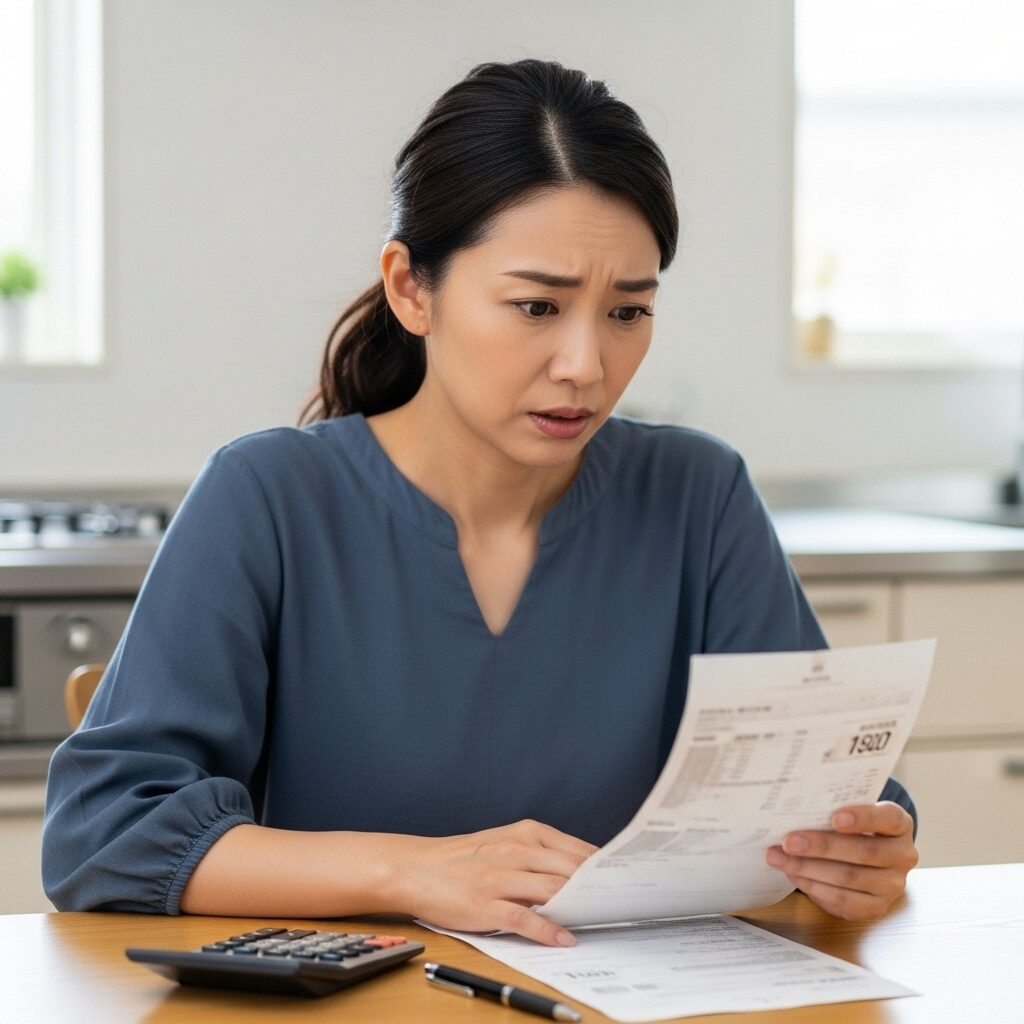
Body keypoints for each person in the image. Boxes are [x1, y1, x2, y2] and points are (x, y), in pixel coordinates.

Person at [41, 59, 919, 948]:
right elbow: (104, 834)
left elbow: (822, 791)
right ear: (410, 289)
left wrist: (857, 848)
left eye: (627, 313)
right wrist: (410, 871)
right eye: (536, 307)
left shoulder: (700, 494)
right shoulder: (265, 497)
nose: (585, 365)